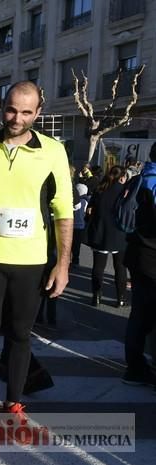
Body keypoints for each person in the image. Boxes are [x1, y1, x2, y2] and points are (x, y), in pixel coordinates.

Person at [0, 81, 73, 419]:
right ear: (1, 107)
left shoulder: (54, 150)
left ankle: (14, 401)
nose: (17, 117)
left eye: (27, 112)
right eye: (12, 109)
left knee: (21, 333)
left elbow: (64, 212)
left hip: (30, 261)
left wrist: (64, 265)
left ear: (38, 113)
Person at [123, 143, 156, 385]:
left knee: (139, 315)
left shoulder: (140, 177)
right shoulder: (152, 182)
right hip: (152, 255)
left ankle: (134, 368)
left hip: (137, 252)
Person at [85, 165, 129, 307]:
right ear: (122, 177)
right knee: (120, 268)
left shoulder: (100, 190)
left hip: (100, 232)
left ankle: (96, 295)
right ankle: (120, 298)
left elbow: (89, 211)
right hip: (119, 233)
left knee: (98, 267)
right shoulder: (124, 192)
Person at [71, 183, 89, 267]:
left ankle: (68, 259)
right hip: (81, 226)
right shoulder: (85, 202)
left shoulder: (73, 201)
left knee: (69, 243)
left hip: (71, 225)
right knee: (77, 245)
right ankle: (76, 259)